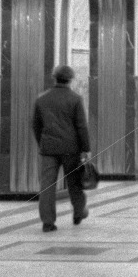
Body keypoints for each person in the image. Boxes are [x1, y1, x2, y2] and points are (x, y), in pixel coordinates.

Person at [32, 65, 91, 232]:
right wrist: (86, 148)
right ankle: (78, 212)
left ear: (54, 77)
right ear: (70, 79)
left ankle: (48, 222)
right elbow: (81, 126)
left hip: (48, 149)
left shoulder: (41, 99)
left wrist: (42, 142)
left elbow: (36, 125)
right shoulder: (75, 99)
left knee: (47, 186)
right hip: (71, 149)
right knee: (74, 182)